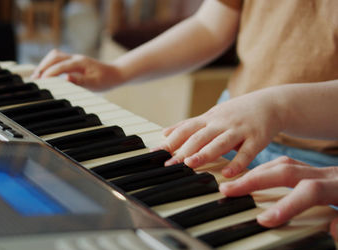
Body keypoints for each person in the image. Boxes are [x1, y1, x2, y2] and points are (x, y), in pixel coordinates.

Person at [31, 0, 338, 237]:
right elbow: (210, 26)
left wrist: (278, 106)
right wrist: (118, 71)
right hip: (230, 125)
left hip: (321, 164)